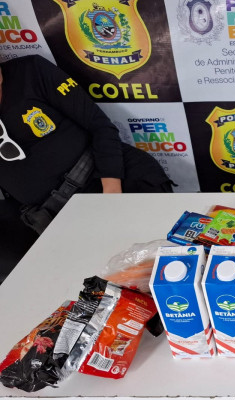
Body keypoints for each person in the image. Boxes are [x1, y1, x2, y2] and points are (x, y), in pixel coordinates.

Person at [0, 55, 173, 283]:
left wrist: (111, 196)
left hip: (107, 180)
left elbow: (100, 126)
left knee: (157, 271)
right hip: (50, 217)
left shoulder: (30, 72)